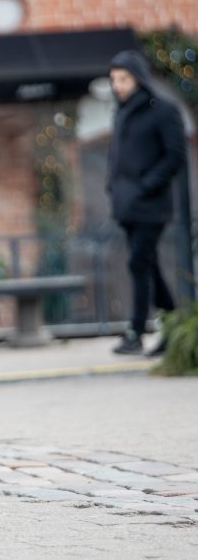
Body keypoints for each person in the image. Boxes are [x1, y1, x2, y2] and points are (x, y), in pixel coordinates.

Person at [106, 50, 186, 356]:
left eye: (123, 78)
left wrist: (145, 186)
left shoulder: (163, 111)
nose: (118, 85)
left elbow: (174, 156)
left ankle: (136, 332)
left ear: (138, 78)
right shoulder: (121, 113)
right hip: (126, 205)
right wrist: (113, 187)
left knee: (139, 263)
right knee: (148, 266)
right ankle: (174, 326)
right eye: (114, 79)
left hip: (150, 205)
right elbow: (117, 158)